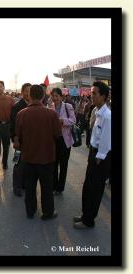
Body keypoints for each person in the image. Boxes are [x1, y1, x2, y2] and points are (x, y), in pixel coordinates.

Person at [15, 84, 62, 220]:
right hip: (46, 158)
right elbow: (57, 135)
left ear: (30, 96)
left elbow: (18, 135)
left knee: (29, 187)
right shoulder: (51, 114)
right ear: (43, 96)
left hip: (28, 158)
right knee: (47, 188)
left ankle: (30, 211)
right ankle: (47, 212)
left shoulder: (21, 114)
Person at [74, 81, 111, 229]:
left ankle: (89, 221)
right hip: (94, 152)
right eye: (91, 93)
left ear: (103, 96)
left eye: (95, 93)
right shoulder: (96, 111)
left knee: (94, 189)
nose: (92, 96)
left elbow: (107, 140)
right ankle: (85, 215)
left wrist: (99, 157)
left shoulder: (107, 116)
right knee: (88, 187)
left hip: (101, 157)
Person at [51, 88, 76, 196]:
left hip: (65, 140)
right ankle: (54, 185)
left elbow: (73, 120)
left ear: (61, 97)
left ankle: (60, 188)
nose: (55, 98)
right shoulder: (50, 107)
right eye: (53, 96)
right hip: (53, 140)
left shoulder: (67, 106)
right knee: (53, 164)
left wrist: (62, 121)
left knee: (63, 164)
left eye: (57, 96)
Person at [10, 83, 31, 196]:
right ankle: (16, 186)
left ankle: (24, 184)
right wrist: (15, 139)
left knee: (28, 163)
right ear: (22, 92)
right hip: (19, 141)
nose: (28, 93)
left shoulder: (34, 105)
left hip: (30, 141)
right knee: (18, 162)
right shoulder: (17, 106)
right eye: (26, 91)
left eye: (30, 91)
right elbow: (13, 125)